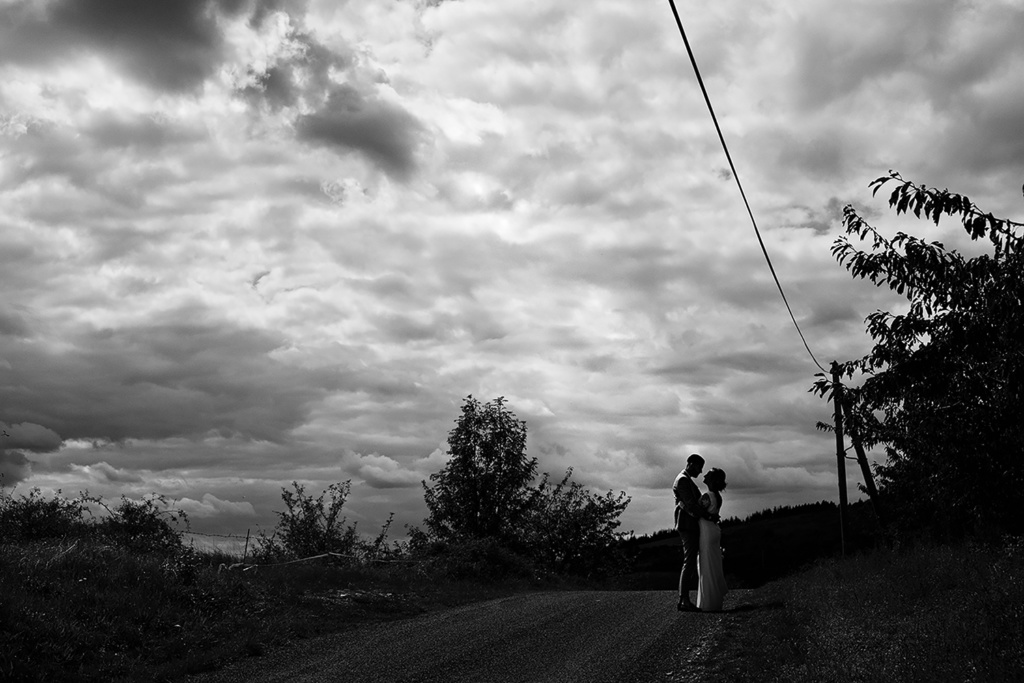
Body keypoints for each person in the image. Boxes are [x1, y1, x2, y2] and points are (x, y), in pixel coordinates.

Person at [673, 453, 718, 612]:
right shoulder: (683, 480)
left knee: (690, 561)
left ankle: (684, 598)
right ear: (691, 464)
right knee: (689, 561)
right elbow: (690, 504)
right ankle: (683, 599)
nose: (700, 472)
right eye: (699, 468)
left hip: (690, 524)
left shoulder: (685, 479)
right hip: (687, 525)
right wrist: (708, 515)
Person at [697, 468, 728, 612]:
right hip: (713, 530)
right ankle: (713, 600)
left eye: (708, 474)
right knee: (713, 564)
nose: (704, 475)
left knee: (707, 565)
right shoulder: (717, 496)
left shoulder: (707, 495)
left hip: (707, 532)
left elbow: (695, 511)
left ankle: (708, 603)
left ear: (713, 479)